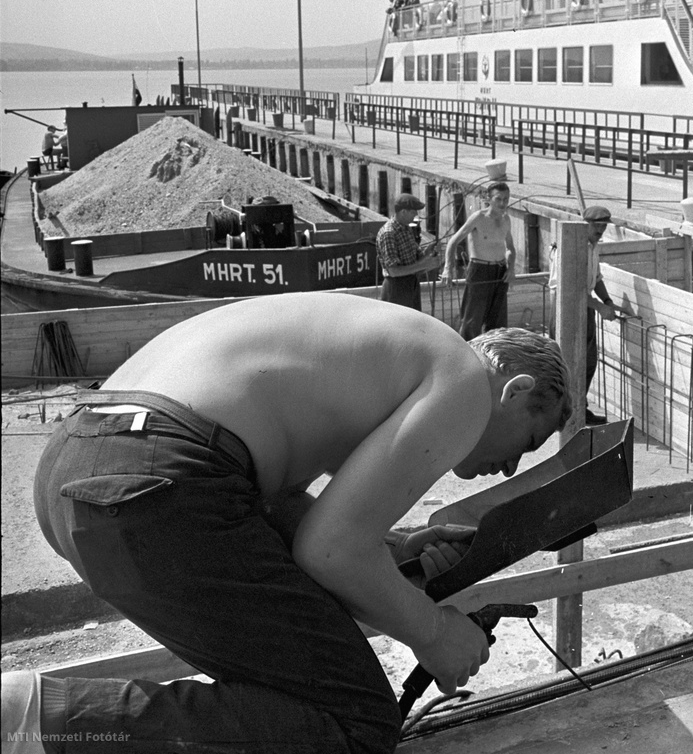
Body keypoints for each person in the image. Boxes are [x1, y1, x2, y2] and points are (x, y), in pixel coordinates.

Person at [3, 293, 571, 753]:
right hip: (158, 478)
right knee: (356, 721)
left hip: (79, 463)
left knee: (293, 695)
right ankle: (36, 718)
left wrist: (394, 548)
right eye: (529, 438)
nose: (513, 465)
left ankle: (40, 716)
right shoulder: (465, 380)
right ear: (515, 390)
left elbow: (294, 511)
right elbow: (329, 553)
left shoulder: (390, 351)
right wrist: (436, 633)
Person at [549, 204, 619, 426]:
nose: (600, 231)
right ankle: (561, 411)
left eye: (604, 227)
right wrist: (600, 308)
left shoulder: (593, 246)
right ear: (585, 224)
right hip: (564, 306)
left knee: (588, 362)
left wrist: (607, 300)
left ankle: (579, 407)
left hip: (584, 305)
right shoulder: (566, 248)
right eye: (596, 226)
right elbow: (569, 289)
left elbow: (595, 279)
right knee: (565, 361)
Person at [446, 182, 516, 340]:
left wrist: (511, 269)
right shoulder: (478, 217)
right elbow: (453, 242)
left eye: (506, 199)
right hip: (480, 270)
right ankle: (466, 355)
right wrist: (447, 269)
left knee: (498, 321)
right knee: (472, 320)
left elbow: (510, 247)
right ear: (489, 199)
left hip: (500, 271)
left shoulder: (506, 219)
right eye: (498, 199)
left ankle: (494, 354)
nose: (503, 203)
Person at [376, 192, 438, 310]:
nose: (416, 216)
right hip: (396, 288)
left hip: (411, 284)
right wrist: (424, 264)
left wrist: (427, 253)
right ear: (403, 212)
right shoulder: (389, 233)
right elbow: (393, 271)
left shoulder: (407, 228)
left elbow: (415, 258)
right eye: (413, 212)